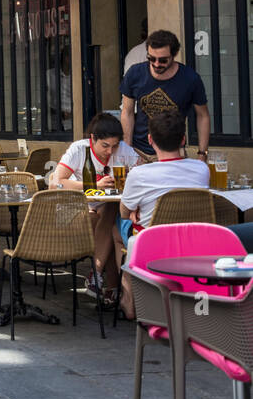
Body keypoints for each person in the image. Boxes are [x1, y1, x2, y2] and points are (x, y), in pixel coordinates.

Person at [48, 112, 140, 313]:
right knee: (108, 224)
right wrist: (94, 185)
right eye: (105, 146)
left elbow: (142, 172)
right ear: (93, 139)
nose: (110, 151)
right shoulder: (79, 149)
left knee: (109, 214)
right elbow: (57, 182)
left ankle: (99, 279)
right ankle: (112, 287)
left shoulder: (123, 150)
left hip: (106, 211)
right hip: (75, 210)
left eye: (114, 146)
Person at [120, 111, 211, 242]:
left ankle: (127, 262)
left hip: (153, 241)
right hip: (191, 238)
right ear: (183, 139)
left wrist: (136, 208)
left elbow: (124, 213)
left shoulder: (139, 174)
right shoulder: (202, 168)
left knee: (117, 227)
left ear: (150, 139)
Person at [120, 29, 210, 159]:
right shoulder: (135, 73)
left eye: (163, 60)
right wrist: (126, 151)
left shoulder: (190, 79)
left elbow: (203, 116)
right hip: (139, 151)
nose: (156, 64)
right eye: (151, 58)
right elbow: (127, 112)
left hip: (174, 152)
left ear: (174, 55)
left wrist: (202, 154)